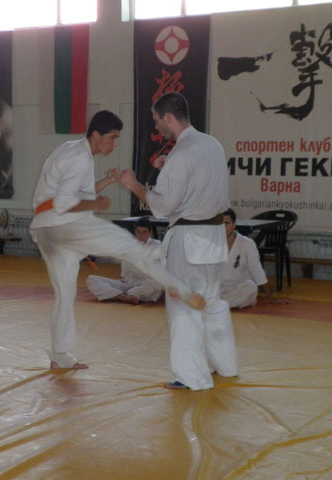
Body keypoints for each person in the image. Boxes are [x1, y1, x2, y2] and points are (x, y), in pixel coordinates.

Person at [30, 110, 204, 371]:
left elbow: (73, 194)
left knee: (65, 294)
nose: (114, 144)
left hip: (46, 229)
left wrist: (107, 182)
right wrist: (97, 204)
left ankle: (60, 355)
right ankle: (176, 285)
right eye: (112, 138)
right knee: (126, 244)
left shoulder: (72, 150)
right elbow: (65, 202)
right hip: (62, 224)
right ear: (96, 134)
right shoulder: (79, 158)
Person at [119, 91, 239, 391]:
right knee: (211, 302)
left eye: (157, 120)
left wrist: (133, 185)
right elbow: (197, 185)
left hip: (189, 238)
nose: (156, 126)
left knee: (184, 307)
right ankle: (224, 365)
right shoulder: (211, 144)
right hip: (214, 235)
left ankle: (191, 376)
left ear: (169, 117)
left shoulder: (181, 153)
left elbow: (162, 206)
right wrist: (167, 170)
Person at [86, 216, 163, 305]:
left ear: (150, 233)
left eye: (144, 232)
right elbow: (125, 272)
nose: (141, 235)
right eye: (138, 231)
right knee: (91, 279)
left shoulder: (157, 245)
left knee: (156, 286)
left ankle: (130, 294)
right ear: (135, 232)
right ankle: (125, 297)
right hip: (128, 282)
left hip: (146, 283)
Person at [220, 208, 287, 308]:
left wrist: (271, 299)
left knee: (251, 287)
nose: (222, 228)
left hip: (238, 287)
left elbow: (257, 271)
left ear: (234, 224)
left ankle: (215, 305)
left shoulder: (247, 243)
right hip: (217, 288)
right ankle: (218, 304)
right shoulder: (212, 243)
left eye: (226, 223)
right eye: (219, 224)